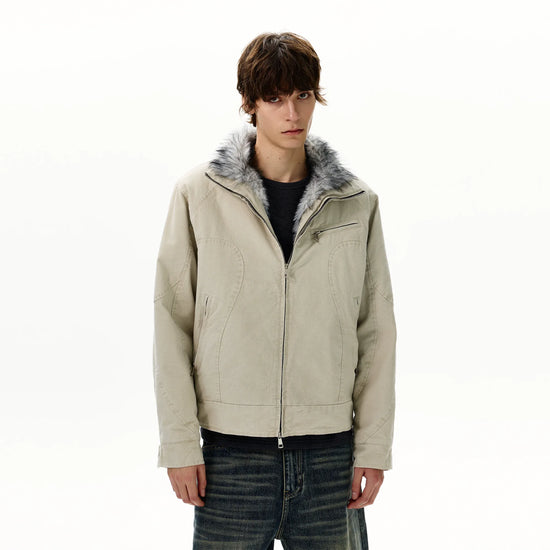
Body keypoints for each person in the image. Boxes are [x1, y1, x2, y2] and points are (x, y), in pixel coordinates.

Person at [152, 31, 397, 549]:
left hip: (330, 459)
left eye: (303, 95)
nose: (293, 113)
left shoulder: (356, 203)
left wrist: (373, 447)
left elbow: (376, 331)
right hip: (231, 460)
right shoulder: (199, 196)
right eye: (275, 98)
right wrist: (179, 443)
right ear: (250, 103)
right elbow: (172, 323)